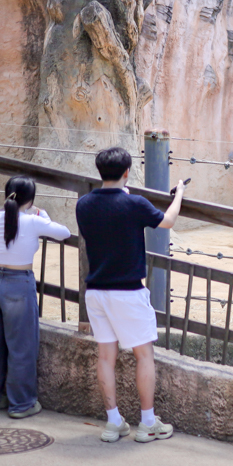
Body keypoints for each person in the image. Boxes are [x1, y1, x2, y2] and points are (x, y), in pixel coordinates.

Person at [75, 146, 184, 443]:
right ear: (126, 172)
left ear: (100, 172)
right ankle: (147, 422)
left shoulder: (83, 205)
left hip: (96, 291)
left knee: (106, 356)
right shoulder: (134, 203)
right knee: (144, 354)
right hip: (128, 291)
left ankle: (113, 422)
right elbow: (168, 221)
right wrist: (179, 195)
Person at [0, 176, 71, 418]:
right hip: (19, 284)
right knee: (21, 347)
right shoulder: (33, 221)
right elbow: (64, 233)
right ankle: (22, 404)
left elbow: (6, 216)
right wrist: (42, 215)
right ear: (30, 200)